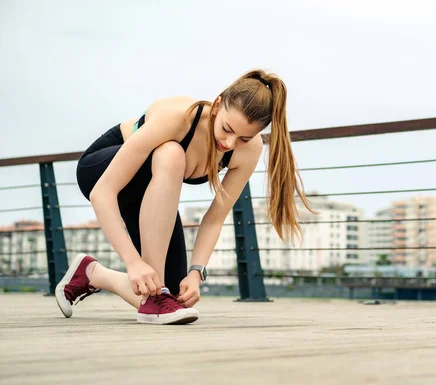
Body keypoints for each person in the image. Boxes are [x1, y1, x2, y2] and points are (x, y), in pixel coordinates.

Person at [55, 69, 314, 325]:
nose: (229, 143)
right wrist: (133, 262)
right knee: (171, 152)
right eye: (226, 129)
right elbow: (103, 192)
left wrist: (195, 273)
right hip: (101, 171)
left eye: (244, 138)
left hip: (147, 194)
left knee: (176, 297)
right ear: (217, 104)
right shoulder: (179, 118)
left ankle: (92, 274)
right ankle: (154, 300)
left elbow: (214, 218)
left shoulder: (247, 152)